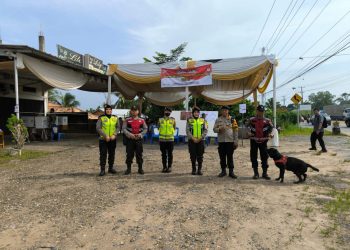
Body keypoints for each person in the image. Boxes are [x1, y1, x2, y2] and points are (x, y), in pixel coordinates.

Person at [248, 105, 273, 180]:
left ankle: (265, 173)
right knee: (253, 156)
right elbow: (245, 127)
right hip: (254, 140)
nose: (261, 113)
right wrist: (248, 132)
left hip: (263, 140)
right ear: (257, 111)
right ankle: (256, 173)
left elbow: (271, 128)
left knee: (264, 157)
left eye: (262, 111)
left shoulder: (268, 120)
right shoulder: (251, 119)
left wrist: (270, 134)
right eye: (259, 111)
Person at [213, 106, 239, 178]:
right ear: (221, 111)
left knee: (230, 157)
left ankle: (231, 172)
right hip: (221, 141)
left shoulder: (232, 119)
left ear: (228, 111)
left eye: (226, 110)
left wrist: (236, 141)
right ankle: (223, 171)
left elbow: (235, 130)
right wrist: (219, 129)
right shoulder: (218, 120)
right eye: (223, 110)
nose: (224, 111)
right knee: (222, 157)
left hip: (230, 141)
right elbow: (214, 129)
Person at [123, 105, 147, 175]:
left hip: (139, 140)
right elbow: (124, 129)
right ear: (131, 111)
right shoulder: (127, 120)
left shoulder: (142, 120)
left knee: (139, 154)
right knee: (129, 155)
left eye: (135, 110)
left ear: (138, 111)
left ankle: (140, 168)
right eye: (132, 110)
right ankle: (128, 169)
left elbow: (145, 129)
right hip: (130, 140)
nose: (134, 112)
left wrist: (140, 135)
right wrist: (130, 135)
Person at [96, 105, 118, 176]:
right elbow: (98, 128)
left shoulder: (115, 118)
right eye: (107, 109)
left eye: (110, 109)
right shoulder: (101, 118)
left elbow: (118, 127)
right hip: (103, 139)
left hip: (112, 139)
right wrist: (105, 136)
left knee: (112, 154)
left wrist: (114, 134)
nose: (108, 110)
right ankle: (102, 170)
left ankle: (110, 168)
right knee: (103, 154)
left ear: (111, 110)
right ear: (105, 110)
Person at [186, 106, 208, 175]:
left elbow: (205, 130)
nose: (196, 113)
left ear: (199, 113)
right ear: (192, 113)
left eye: (197, 112)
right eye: (195, 112)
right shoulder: (189, 120)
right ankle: (194, 169)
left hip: (201, 140)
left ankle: (199, 170)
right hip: (192, 140)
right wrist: (193, 138)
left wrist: (200, 138)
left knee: (200, 155)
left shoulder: (203, 120)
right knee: (193, 155)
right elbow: (187, 130)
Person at [158, 107, 176, 173]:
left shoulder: (173, 120)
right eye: (166, 111)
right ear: (164, 112)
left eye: (169, 111)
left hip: (170, 140)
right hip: (162, 140)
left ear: (170, 113)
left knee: (170, 154)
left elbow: (174, 127)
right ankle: (164, 167)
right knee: (163, 154)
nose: (167, 112)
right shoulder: (160, 119)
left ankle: (169, 167)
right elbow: (158, 127)